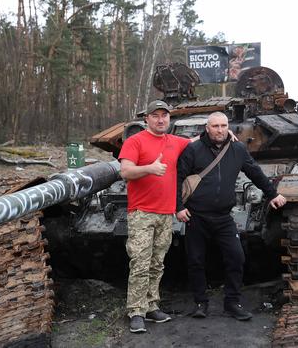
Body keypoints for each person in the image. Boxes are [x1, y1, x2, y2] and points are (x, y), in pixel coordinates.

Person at [175, 111, 286, 321]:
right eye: (215, 126)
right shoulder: (193, 149)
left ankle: (232, 302)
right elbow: (178, 177)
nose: (219, 130)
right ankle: (200, 303)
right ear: (207, 128)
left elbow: (254, 172)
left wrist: (273, 194)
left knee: (236, 257)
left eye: (223, 126)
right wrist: (178, 206)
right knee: (196, 260)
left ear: (228, 127)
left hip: (224, 217)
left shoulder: (237, 149)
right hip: (196, 216)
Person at [118, 100, 192, 333]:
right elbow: (126, 171)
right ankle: (136, 311)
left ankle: (151, 305)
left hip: (165, 213)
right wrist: (149, 168)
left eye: (164, 116)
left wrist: (225, 131)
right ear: (146, 119)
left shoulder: (175, 141)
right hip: (141, 212)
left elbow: (199, 142)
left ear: (169, 119)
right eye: (155, 115)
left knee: (157, 263)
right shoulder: (135, 141)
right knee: (140, 262)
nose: (161, 120)